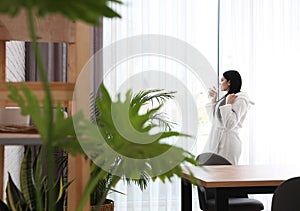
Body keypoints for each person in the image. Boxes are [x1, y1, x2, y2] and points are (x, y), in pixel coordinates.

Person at [204, 70, 253, 165]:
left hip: (228, 143)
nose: (220, 83)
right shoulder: (226, 98)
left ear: (229, 82)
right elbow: (214, 121)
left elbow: (229, 124)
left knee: (225, 176)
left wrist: (228, 104)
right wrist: (214, 100)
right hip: (216, 139)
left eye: (222, 80)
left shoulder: (240, 99)